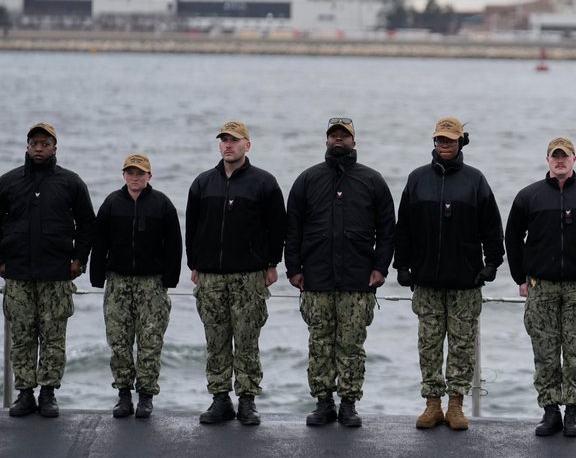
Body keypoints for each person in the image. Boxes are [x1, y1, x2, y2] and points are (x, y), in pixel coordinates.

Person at [393, 117, 504, 431]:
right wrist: (402, 265)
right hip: (426, 281)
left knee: (462, 346)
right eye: (440, 140)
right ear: (434, 141)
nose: (444, 145)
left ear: (460, 142)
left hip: (465, 282)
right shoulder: (417, 179)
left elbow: (492, 227)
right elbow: (404, 227)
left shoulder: (475, 180)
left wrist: (492, 263)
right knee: (428, 345)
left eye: (450, 140)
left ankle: (456, 404)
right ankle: (432, 403)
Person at [285, 117, 396, 428]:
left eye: (344, 135)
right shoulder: (308, 179)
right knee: (319, 344)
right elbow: (292, 229)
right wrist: (293, 269)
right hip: (316, 279)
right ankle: (323, 402)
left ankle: (349, 403)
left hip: (357, 280)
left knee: (351, 345)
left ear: (354, 141)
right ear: (326, 140)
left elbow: (388, 229)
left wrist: (381, 267)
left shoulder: (372, 180)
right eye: (333, 135)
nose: (338, 139)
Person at [505, 136, 576, 438]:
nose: (560, 160)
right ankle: (550, 410)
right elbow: (512, 237)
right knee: (545, 351)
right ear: (548, 160)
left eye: (565, 156)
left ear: (574, 159)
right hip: (541, 286)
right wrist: (520, 278)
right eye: (555, 156)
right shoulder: (529, 196)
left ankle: (573, 411)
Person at [186, 119, 286, 426]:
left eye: (234, 140)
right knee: (215, 339)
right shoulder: (203, 183)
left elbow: (277, 227)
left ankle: (247, 400)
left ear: (247, 145)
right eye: (224, 140)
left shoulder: (263, 182)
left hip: (249, 276)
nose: (228, 145)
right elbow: (192, 227)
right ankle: (220, 399)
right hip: (211, 276)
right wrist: (195, 264)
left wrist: (272, 263)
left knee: (246, 339)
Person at [0, 122, 94, 418]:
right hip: (18, 273)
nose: (38, 148)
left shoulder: (71, 182)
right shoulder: (8, 182)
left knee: (53, 336)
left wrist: (79, 260)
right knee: (22, 335)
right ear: (27, 147)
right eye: (34, 143)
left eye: (45, 144)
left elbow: (87, 224)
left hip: (56, 274)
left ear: (55, 148)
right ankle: (25, 393)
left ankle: (48, 393)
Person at [90, 154, 182, 419]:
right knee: (118, 341)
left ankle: (146, 396)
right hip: (118, 282)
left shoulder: (162, 204)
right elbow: (100, 242)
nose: (135, 177)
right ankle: (123, 395)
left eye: (140, 173)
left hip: (151, 283)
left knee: (150, 342)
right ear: (123, 175)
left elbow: (174, 244)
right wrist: (97, 277)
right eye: (130, 172)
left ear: (149, 176)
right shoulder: (111, 203)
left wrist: (170, 279)